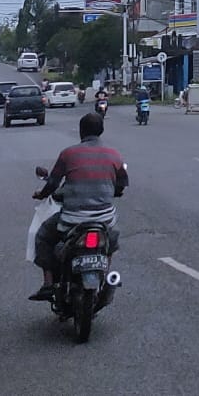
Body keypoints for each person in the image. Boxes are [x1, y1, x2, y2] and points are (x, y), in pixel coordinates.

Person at [30, 112, 128, 301]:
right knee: (111, 243)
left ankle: (48, 283)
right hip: (104, 219)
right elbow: (121, 186)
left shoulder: (69, 154)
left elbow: (52, 183)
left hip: (72, 219)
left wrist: (40, 194)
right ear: (101, 131)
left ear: (81, 131)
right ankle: (106, 274)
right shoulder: (114, 155)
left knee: (43, 235)